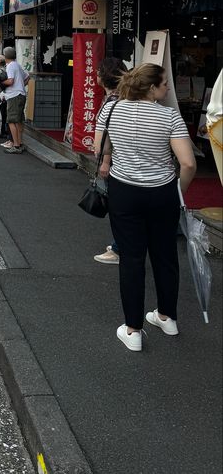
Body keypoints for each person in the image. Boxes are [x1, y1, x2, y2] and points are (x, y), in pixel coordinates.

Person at [94, 64, 197, 352]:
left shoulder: (112, 110)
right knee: (165, 255)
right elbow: (188, 163)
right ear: (151, 88)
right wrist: (179, 192)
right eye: (165, 84)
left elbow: (97, 148)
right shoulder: (169, 116)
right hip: (162, 193)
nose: (167, 89)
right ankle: (167, 317)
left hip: (124, 191)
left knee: (132, 258)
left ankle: (133, 330)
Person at [93, 57, 127, 265]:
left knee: (118, 209)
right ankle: (119, 245)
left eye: (98, 71)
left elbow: (108, 138)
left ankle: (118, 248)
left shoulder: (113, 102)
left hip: (117, 164)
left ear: (104, 77)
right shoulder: (124, 98)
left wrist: (106, 161)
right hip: (123, 163)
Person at [1, 47, 29, 154]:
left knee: (12, 120)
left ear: (5, 56)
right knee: (19, 120)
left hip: (14, 96)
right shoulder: (17, 65)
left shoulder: (10, 66)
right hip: (21, 94)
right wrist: (21, 85)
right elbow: (27, 77)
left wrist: (2, 82)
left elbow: (11, 81)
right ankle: (20, 143)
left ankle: (16, 145)